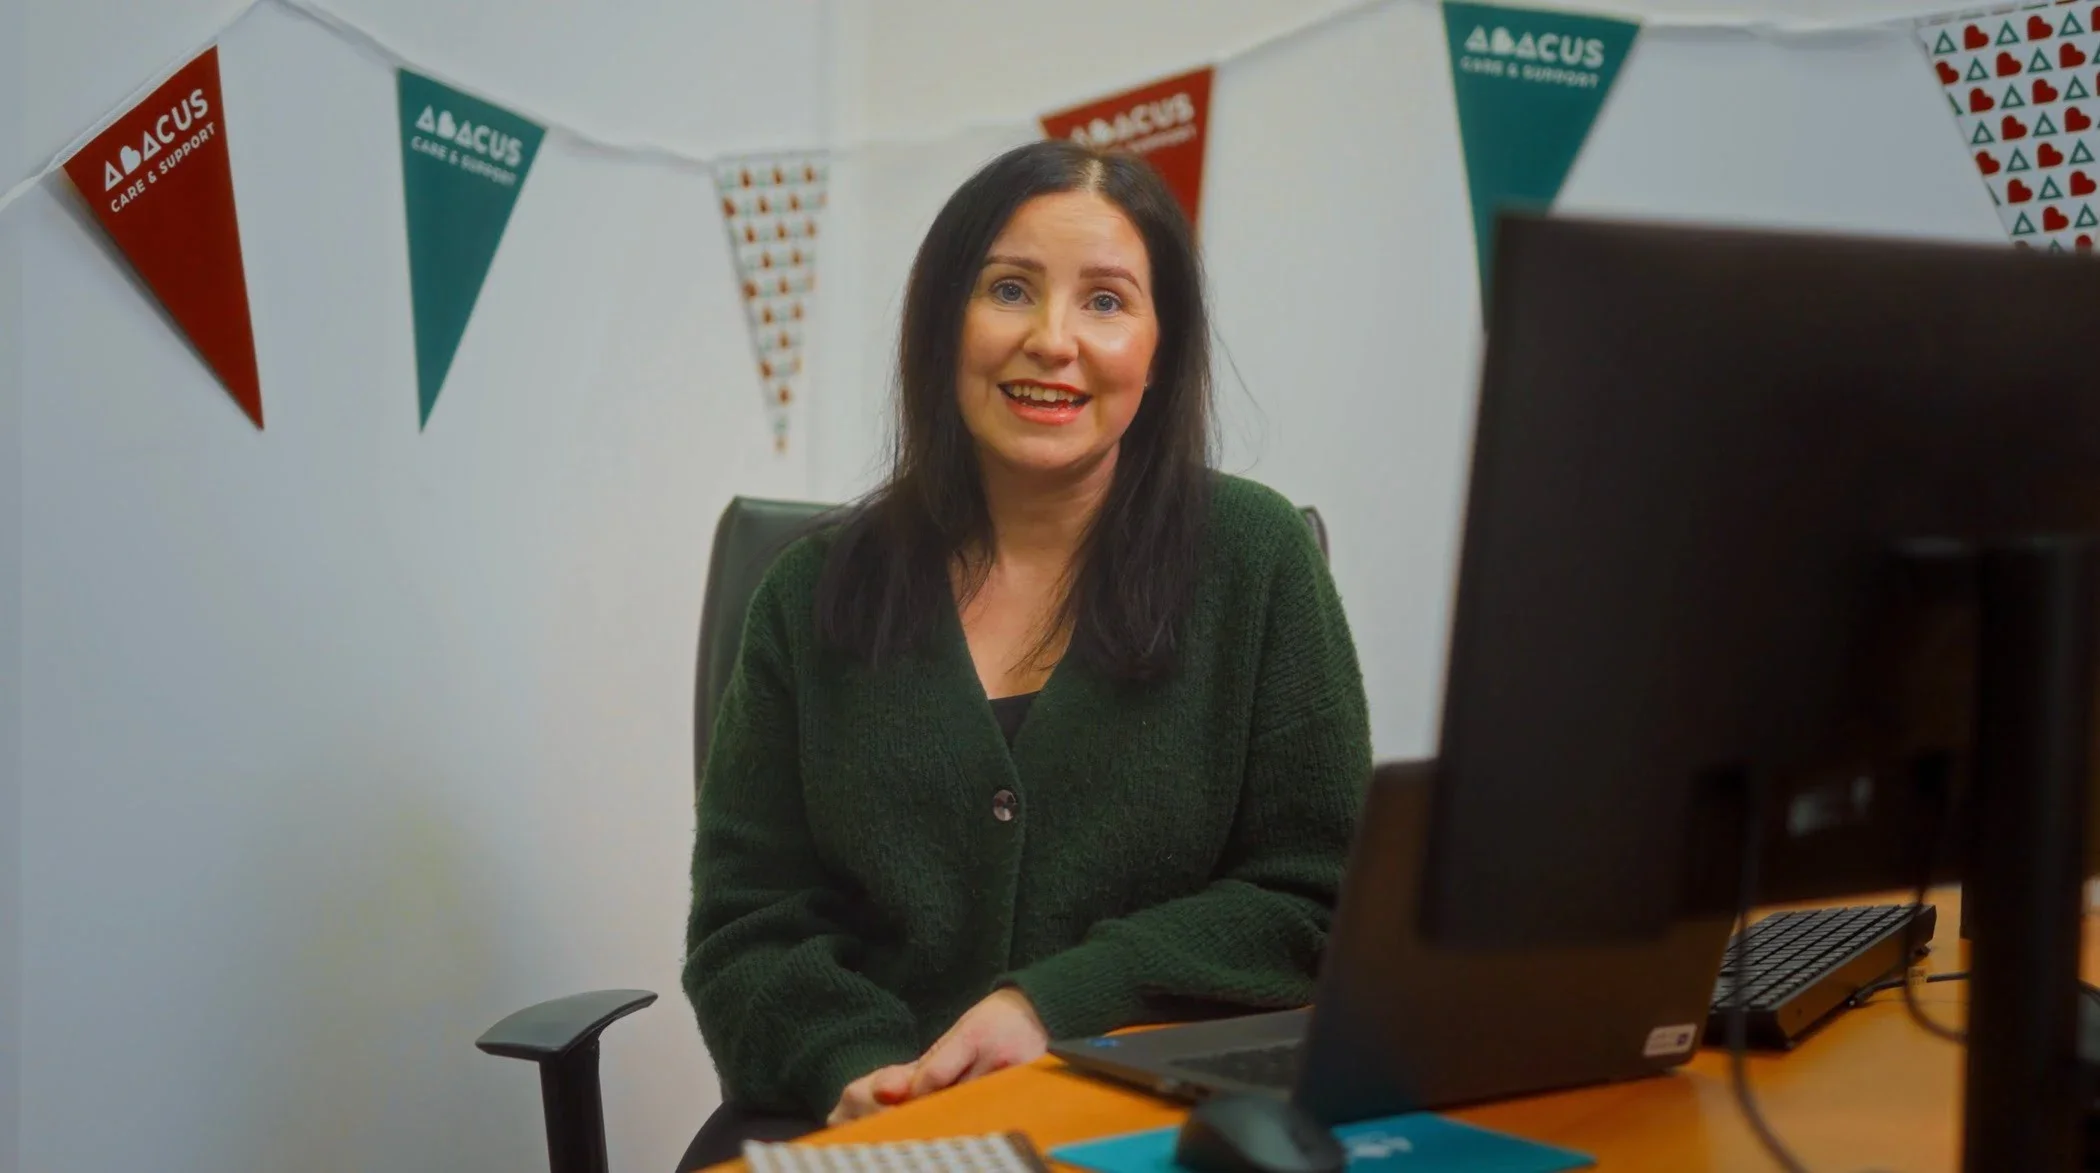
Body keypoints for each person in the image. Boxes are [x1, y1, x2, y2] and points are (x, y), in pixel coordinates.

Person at [676, 139, 1371, 1172]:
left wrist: (1050, 1003)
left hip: (1142, 1125)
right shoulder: (808, 595)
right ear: (943, 322)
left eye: (1106, 301)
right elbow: (747, 928)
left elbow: (1319, 900)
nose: (1054, 340)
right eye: (1010, 289)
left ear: (1160, 345)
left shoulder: (1255, 559)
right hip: (853, 1124)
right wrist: (859, 1068)